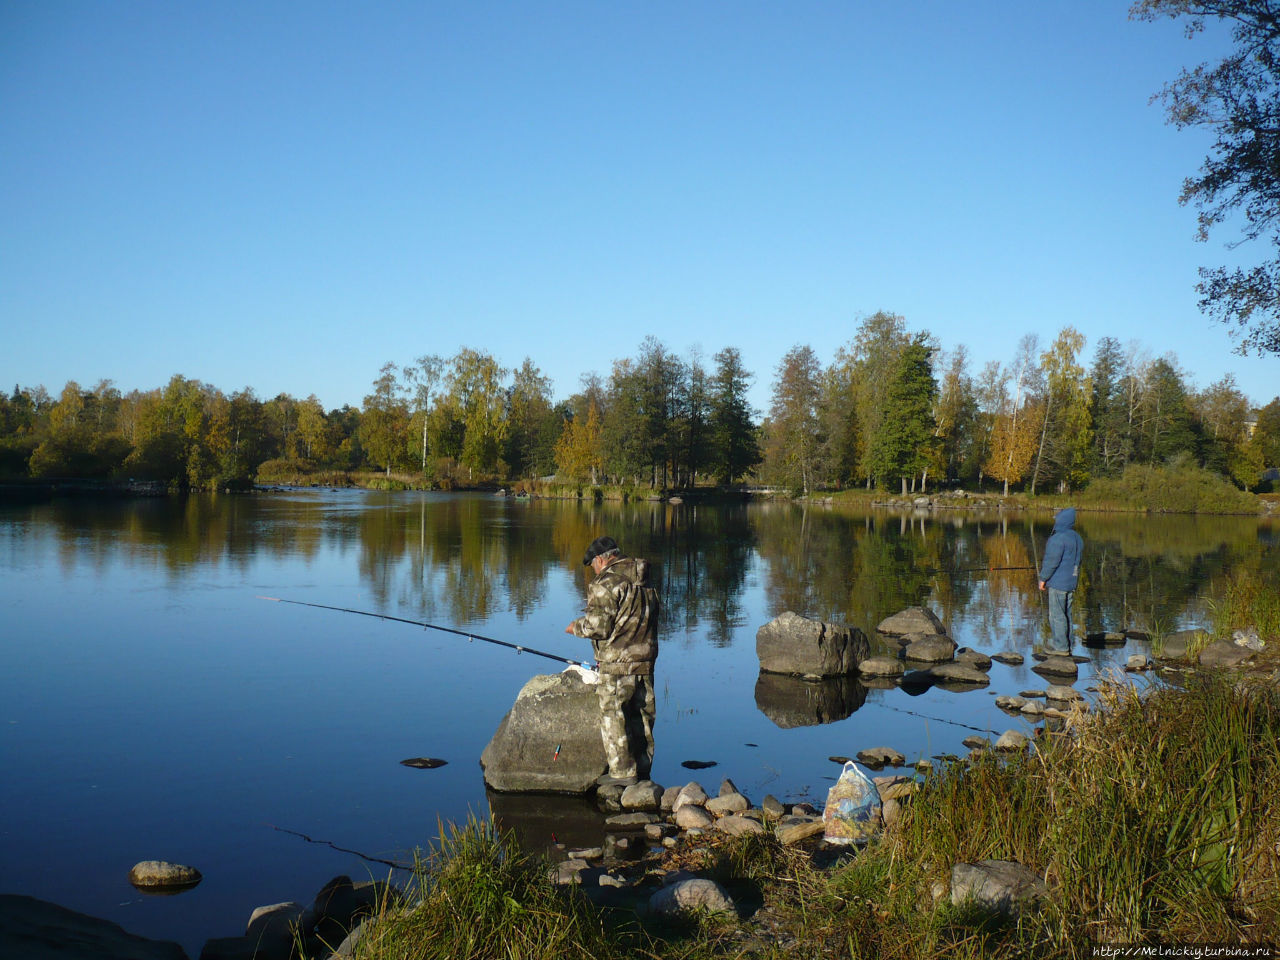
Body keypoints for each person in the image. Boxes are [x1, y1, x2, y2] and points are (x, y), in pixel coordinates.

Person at [565, 536, 658, 787]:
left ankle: (621, 774)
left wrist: (576, 627)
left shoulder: (606, 583)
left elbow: (599, 627)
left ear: (601, 559)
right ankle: (643, 770)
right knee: (641, 716)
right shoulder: (645, 579)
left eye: (593, 565)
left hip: (616, 662)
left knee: (613, 715)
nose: (594, 571)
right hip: (645, 660)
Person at [1038, 507, 1084, 654]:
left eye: (1057, 519)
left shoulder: (1057, 538)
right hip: (1072, 581)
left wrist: (1043, 579)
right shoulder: (1077, 537)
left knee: (1056, 614)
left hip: (1058, 582)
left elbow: (1051, 562)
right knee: (1066, 614)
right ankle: (1067, 644)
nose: (1055, 521)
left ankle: (1060, 646)